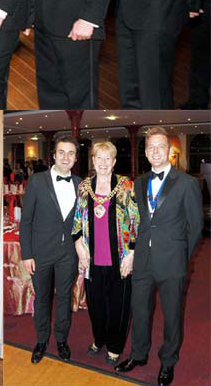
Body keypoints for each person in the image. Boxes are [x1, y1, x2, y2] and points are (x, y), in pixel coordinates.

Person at [116, 127, 203, 386]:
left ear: (169, 150)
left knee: (172, 315)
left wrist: (181, 257)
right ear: (145, 152)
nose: (155, 151)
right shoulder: (140, 182)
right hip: (143, 260)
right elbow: (137, 222)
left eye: (160, 146)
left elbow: (195, 227)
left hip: (172, 261)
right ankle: (138, 354)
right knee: (140, 311)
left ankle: (168, 361)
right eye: (150, 147)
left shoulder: (187, 183)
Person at [72, 141, 139, 365]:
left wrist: (131, 254)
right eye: (98, 158)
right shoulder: (84, 186)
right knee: (96, 305)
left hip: (120, 258)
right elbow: (77, 220)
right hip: (91, 259)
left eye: (107, 158)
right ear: (92, 160)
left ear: (114, 161)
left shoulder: (126, 186)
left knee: (118, 306)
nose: (102, 162)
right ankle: (99, 338)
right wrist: (78, 246)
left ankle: (115, 346)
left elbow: (135, 221)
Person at [20, 136, 81, 364]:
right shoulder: (37, 181)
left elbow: (82, 222)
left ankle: (62, 340)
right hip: (41, 252)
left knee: (64, 298)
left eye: (71, 153)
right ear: (53, 155)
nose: (66, 157)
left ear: (75, 158)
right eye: (61, 152)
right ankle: (41, 340)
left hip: (68, 253)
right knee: (42, 298)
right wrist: (27, 254)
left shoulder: (81, 184)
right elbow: (26, 221)